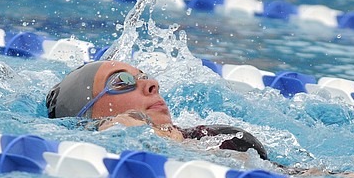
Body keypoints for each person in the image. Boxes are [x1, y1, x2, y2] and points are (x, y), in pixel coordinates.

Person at [45, 60, 270, 160]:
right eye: (121, 81)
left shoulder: (223, 137)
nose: (152, 84)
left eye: (143, 75)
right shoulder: (107, 144)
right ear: (88, 113)